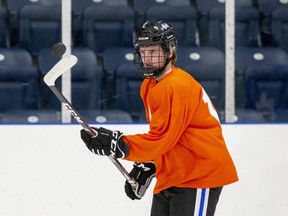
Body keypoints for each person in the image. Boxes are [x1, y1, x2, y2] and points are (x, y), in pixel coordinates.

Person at [80, 20, 238, 216]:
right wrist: (152, 164)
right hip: (173, 173)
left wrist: (120, 144)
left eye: (153, 52)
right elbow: (168, 135)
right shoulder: (150, 85)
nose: (147, 58)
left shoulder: (176, 86)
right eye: (143, 52)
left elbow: (161, 138)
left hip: (198, 173)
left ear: (170, 51)